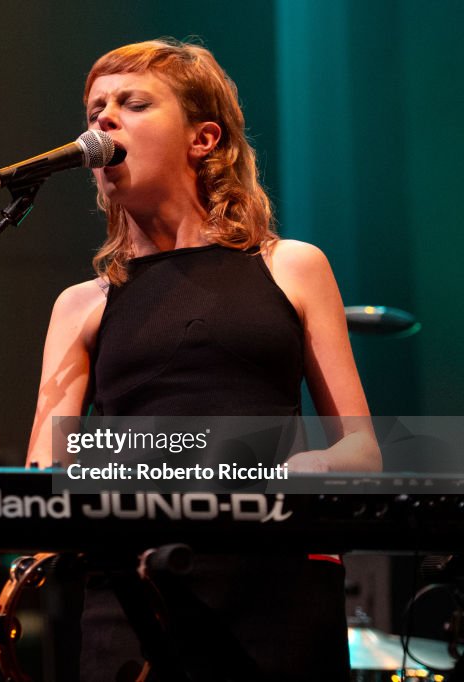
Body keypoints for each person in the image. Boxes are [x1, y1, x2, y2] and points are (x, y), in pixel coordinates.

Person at [25, 39, 380, 681]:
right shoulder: (81, 304)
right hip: (132, 596)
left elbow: (362, 448)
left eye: (132, 103)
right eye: (95, 107)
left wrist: (314, 464)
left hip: (273, 585)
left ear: (203, 139)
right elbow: (47, 472)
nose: (103, 119)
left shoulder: (291, 266)